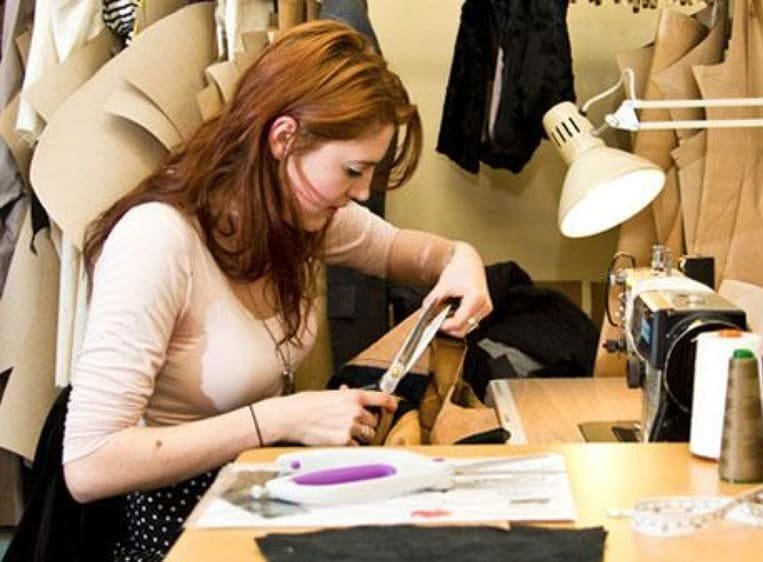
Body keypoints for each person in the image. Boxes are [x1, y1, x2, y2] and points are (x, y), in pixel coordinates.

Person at [62, 20, 493, 561]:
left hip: (258, 493)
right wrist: (283, 419)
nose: (361, 193)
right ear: (284, 138)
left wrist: (463, 260)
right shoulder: (158, 241)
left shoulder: (297, 216)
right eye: (354, 170)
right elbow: (88, 464)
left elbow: (411, 252)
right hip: (180, 532)